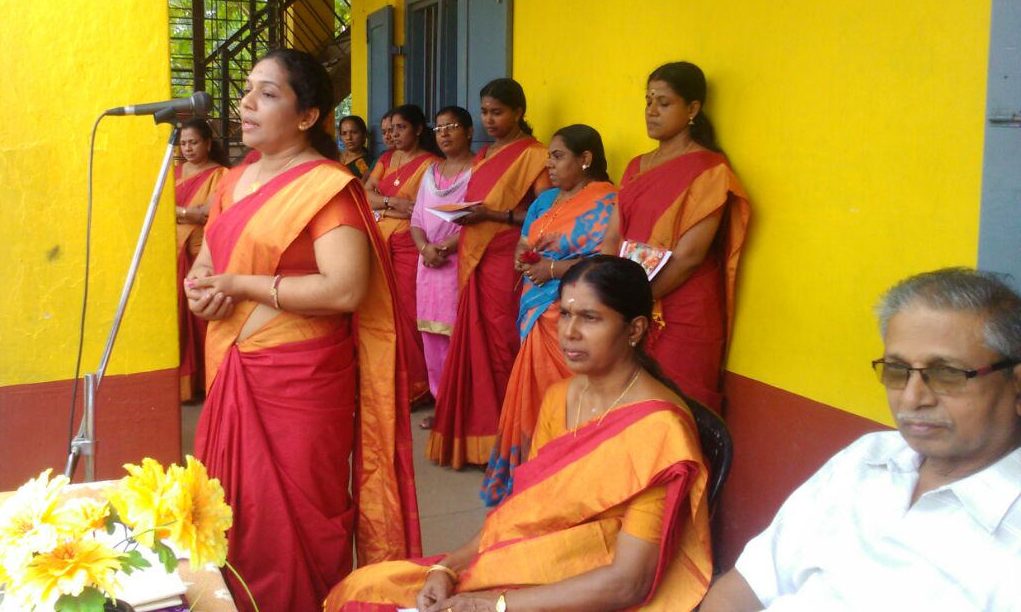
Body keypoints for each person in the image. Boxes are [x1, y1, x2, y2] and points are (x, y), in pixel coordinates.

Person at [327, 256, 713, 612]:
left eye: (590, 318)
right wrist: (447, 569)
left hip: (585, 593)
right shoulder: (560, 397)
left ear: (635, 329)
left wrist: (496, 604)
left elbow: (629, 583)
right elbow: (523, 513)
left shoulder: (660, 430)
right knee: (363, 588)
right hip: (527, 566)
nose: (569, 332)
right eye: (565, 314)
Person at [186, 49, 422, 612]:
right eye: (248, 89)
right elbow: (207, 263)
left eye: (268, 93)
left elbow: (344, 289)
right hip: (233, 364)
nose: (247, 103)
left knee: (299, 514)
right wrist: (202, 292)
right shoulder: (231, 182)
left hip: (300, 380)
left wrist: (240, 285)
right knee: (234, 507)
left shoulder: (327, 186)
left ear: (308, 116)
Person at [702, 267, 1021, 611]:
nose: (912, 398)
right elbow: (742, 589)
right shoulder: (868, 457)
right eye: (897, 370)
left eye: (947, 373)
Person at [481, 124, 618, 506]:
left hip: (573, 312)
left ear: (585, 159)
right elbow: (525, 240)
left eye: (558, 157)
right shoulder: (544, 201)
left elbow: (607, 259)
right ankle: (529, 473)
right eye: (549, 158)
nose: (550, 165)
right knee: (535, 396)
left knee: (570, 395)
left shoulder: (609, 201)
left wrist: (554, 270)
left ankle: (568, 477)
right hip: (536, 307)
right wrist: (522, 258)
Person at [601, 62, 750, 410]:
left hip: (682, 307)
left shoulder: (710, 169)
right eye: (648, 101)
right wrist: (606, 293)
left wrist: (631, 303)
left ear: (693, 108)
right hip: (627, 301)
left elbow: (689, 257)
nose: (651, 111)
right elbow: (613, 235)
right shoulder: (636, 166)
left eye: (664, 103)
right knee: (625, 406)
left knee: (675, 407)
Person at [427, 78, 551, 468]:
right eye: (484, 112)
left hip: (505, 259)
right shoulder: (483, 155)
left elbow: (545, 215)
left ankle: (509, 440)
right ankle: (477, 437)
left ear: (519, 112)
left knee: (502, 342)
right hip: (473, 256)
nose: (489, 120)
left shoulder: (535, 155)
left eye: (497, 112)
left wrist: (491, 214)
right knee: (474, 342)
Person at [365, 103, 440, 401]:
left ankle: (418, 385)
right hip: (378, 242)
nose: (394, 134)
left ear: (418, 129)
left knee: (408, 311)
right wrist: (392, 204)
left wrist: (381, 203)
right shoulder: (386, 159)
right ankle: (387, 381)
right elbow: (364, 194)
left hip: (410, 244)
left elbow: (422, 210)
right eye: (391, 129)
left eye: (401, 127)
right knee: (381, 310)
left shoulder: (432, 164)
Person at [410, 106, 476, 427]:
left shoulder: (479, 170)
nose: (444, 134)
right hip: (428, 263)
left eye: (451, 127)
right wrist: (425, 248)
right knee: (431, 338)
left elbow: (477, 220)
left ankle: (462, 409)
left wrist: (444, 247)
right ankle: (442, 405)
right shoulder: (430, 173)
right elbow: (416, 218)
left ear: (469, 132)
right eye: (438, 129)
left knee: (458, 338)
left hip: (457, 262)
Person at [173, 117, 227, 402]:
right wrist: (186, 213)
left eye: (194, 142)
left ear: (208, 142)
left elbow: (207, 213)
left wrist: (175, 212)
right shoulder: (173, 173)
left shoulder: (221, 175)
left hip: (201, 253)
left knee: (200, 318)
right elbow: (157, 207)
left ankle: (204, 383)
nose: (188, 148)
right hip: (170, 253)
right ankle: (180, 386)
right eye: (183, 143)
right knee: (177, 320)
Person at [338, 114, 372, 179]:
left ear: (364, 134)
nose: (348, 137)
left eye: (354, 132)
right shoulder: (336, 157)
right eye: (344, 133)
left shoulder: (367, 164)